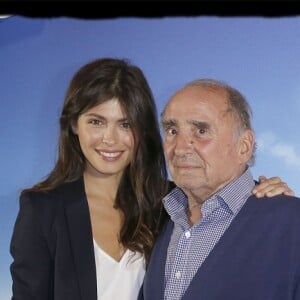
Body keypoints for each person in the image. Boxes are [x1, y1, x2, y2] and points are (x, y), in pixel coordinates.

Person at [9, 59, 293, 300]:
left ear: (142, 131)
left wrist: (270, 199)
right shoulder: (43, 210)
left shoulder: (169, 204)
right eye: (96, 121)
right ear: (74, 125)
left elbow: (231, 205)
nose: (110, 139)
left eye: (125, 124)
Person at [139, 78, 300, 300]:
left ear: (244, 146)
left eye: (201, 131)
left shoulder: (291, 223)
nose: (180, 147)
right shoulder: (159, 220)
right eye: (172, 130)